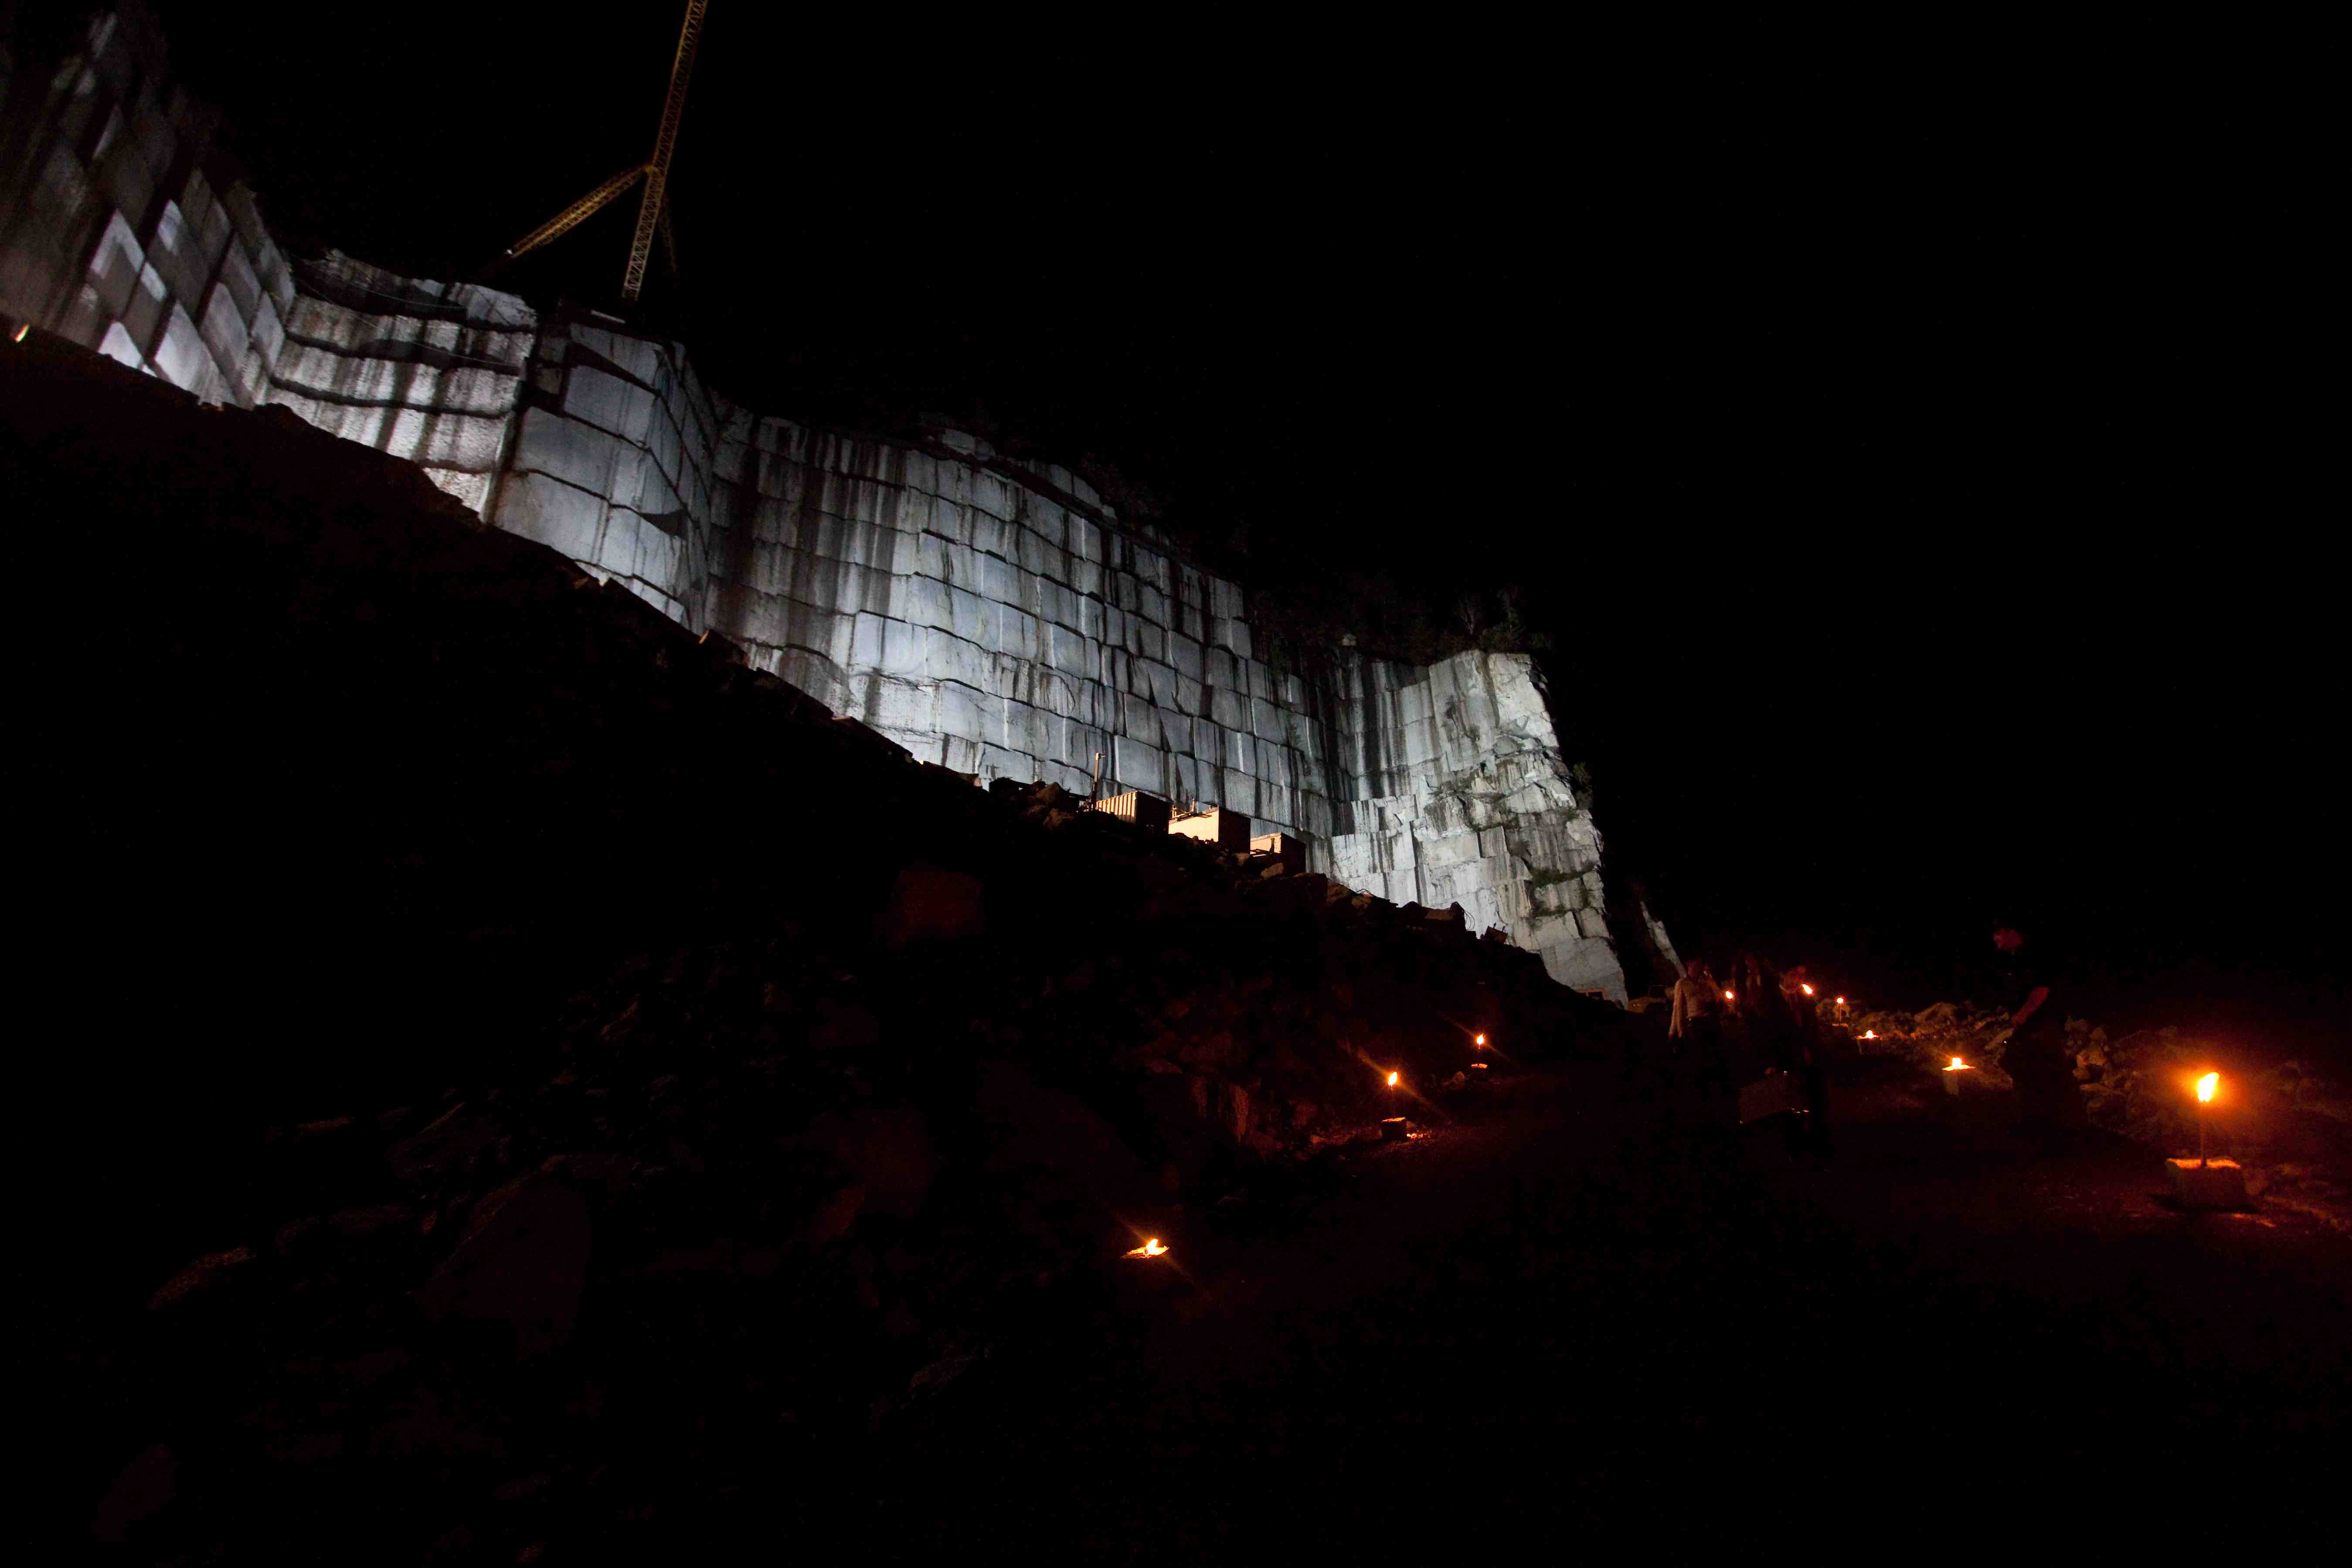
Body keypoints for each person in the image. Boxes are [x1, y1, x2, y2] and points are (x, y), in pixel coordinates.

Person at [1990, 922, 2084, 1144]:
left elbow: (2042, 989)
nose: (1995, 940)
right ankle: (2036, 1120)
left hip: (2040, 1025)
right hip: (2030, 1025)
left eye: (1997, 935)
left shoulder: (2031, 957)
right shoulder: (2016, 958)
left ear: (2011, 932)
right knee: (2026, 1069)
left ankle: (2066, 1125)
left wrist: (2023, 1014)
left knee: (2047, 1070)